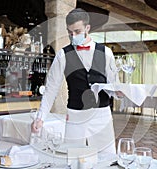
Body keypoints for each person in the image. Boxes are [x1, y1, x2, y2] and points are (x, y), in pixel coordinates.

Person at [31, 8, 121, 154]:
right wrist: (40, 118)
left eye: (77, 32)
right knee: (73, 158)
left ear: (87, 28)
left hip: (101, 116)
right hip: (75, 115)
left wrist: (119, 93)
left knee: (107, 158)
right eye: (69, 32)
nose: (73, 36)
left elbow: (113, 85)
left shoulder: (106, 52)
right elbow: (50, 90)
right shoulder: (62, 55)